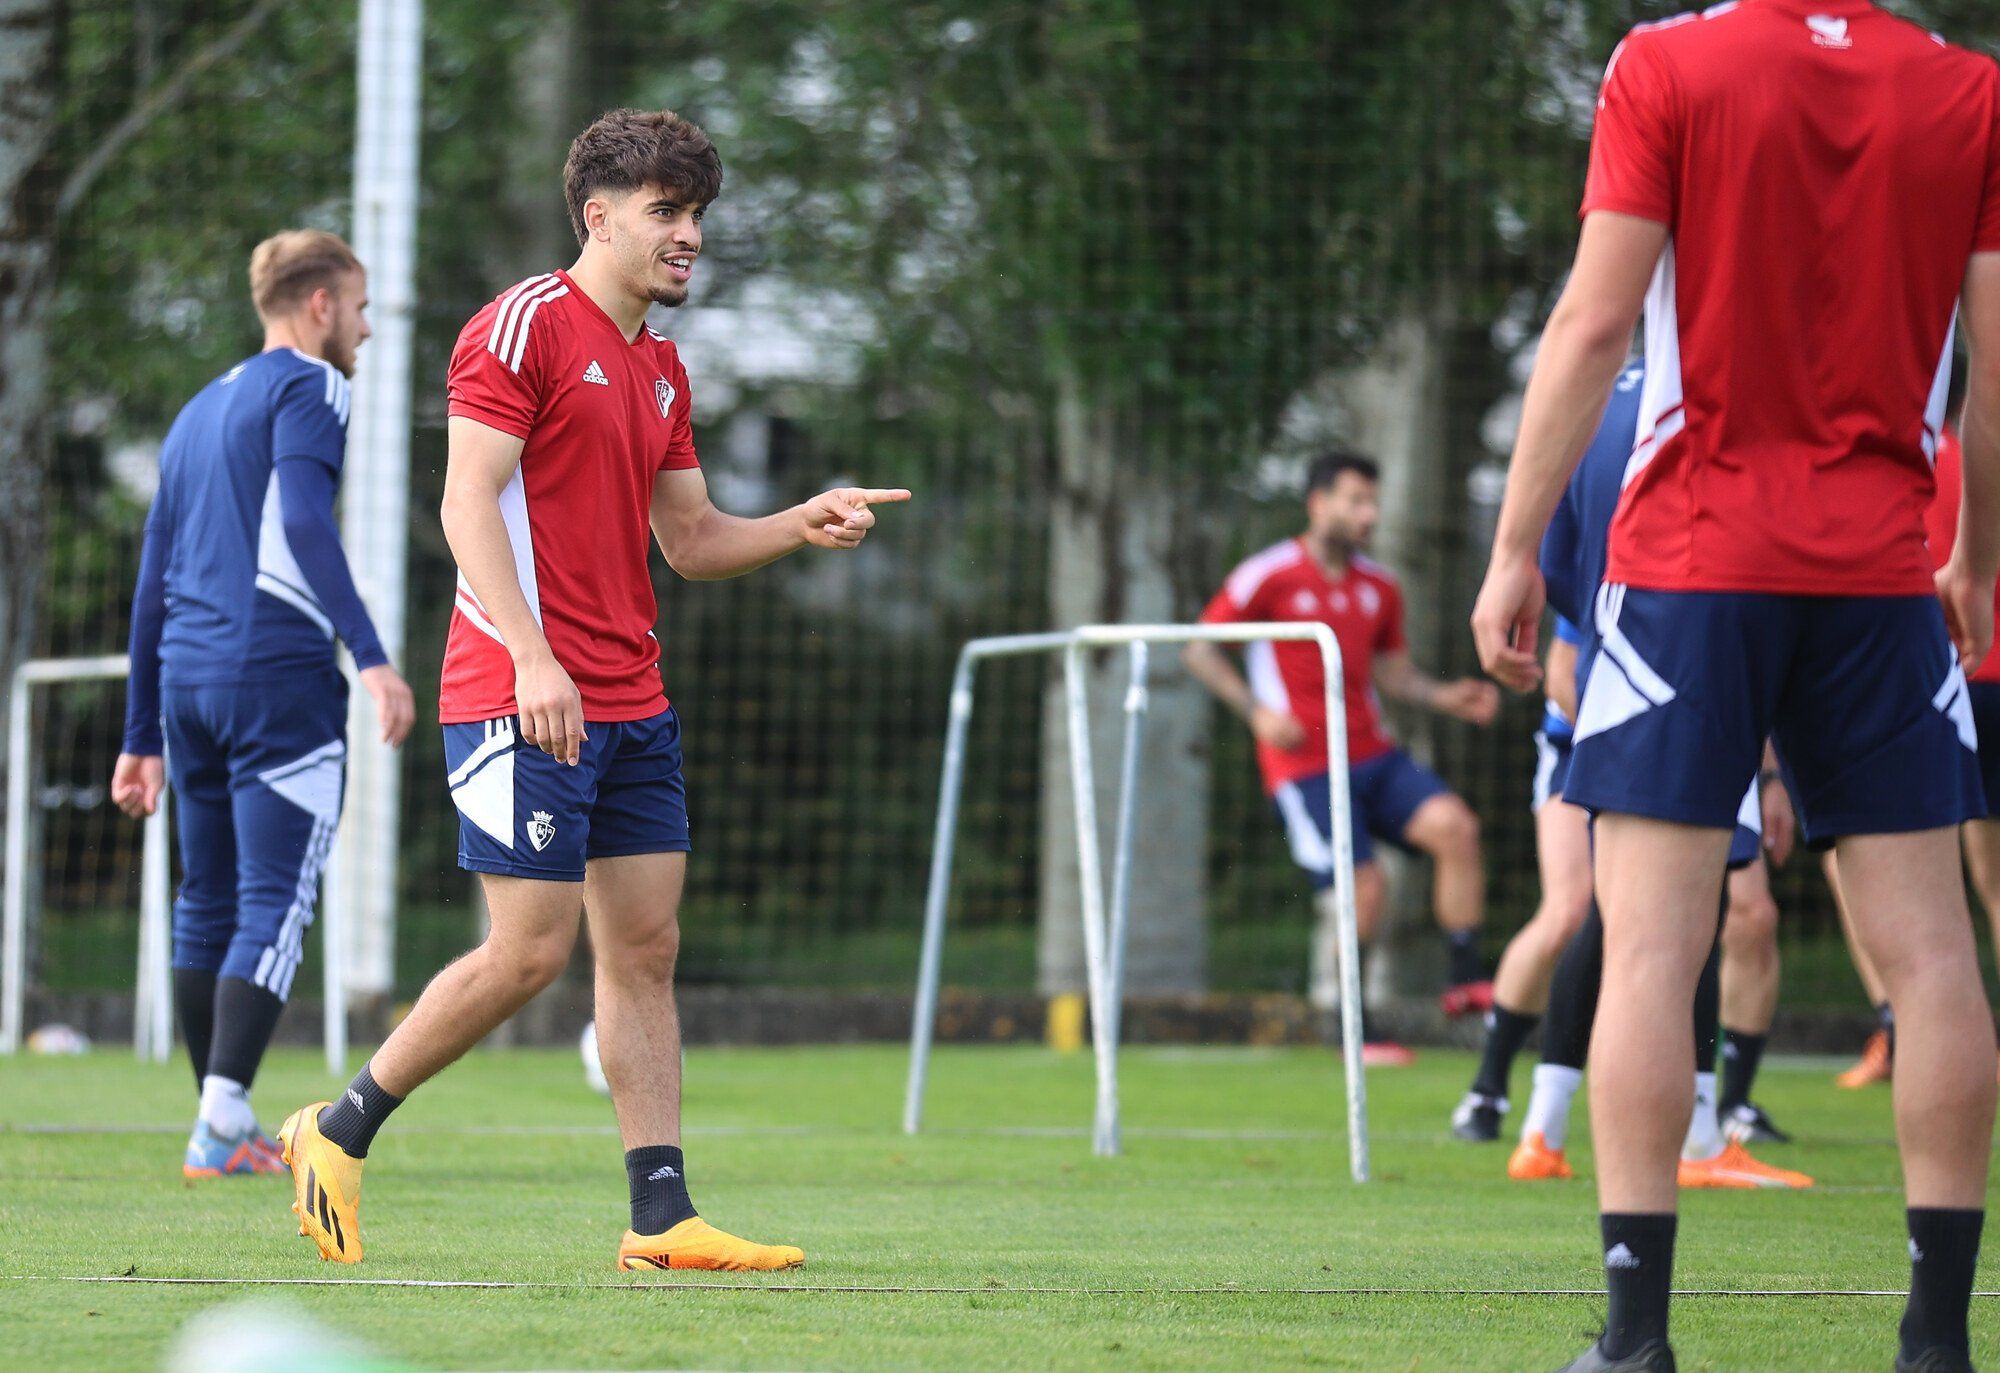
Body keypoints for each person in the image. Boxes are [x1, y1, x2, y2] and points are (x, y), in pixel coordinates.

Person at [275, 109, 907, 1271]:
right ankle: (338, 1126)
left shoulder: (660, 366)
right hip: (517, 692)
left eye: (696, 213)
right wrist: (532, 656)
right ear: (598, 216)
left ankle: (660, 1217)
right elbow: (464, 501)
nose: (689, 234)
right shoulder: (522, 324)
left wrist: (798, 520)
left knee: (645, 948)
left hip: (631, 700)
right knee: (529, 951)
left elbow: (692, 539)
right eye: (667, 211)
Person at [1471, 6, 2000, 1370]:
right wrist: (1974, 557)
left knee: (1652, 950)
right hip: (1880, 571)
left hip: (1692, 564)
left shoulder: (1666, 64)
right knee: (1934, 957)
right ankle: (1937, 1342)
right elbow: (1994, 366)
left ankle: (1634, 1337)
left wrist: (1516, 545)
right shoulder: (1967, 91)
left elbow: (1594, 320)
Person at [111, 230, 415, 1180]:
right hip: (276, 677)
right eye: (360, 308)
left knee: (205, 895)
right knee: (274, 900)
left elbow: (152, 582)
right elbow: (301, 521)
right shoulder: (314, 385)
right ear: (320, 304)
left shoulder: (196, 411)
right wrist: (373, 657)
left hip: (189, 684)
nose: (366, 329)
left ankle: (221, 1119)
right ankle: (221, 1119)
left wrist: (140, 731)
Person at [1188, 450, 1499, 1066]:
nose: (1368, 514)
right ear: (1318, 503)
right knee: (1366, 885)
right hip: (1305, 767)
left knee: (1456, 828)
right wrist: (1257, 713)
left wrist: (1444, 696)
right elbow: (1200, 648)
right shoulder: (1268, 574)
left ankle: (1466, 983)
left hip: (1373, 753)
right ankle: (1352, 1027)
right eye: (1355, 501)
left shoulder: (1379, 586)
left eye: (1373, 502)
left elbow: (1391, 672)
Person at [1450, 621, 1589, 1136]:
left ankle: (1723, 1107)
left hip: (1689, 753)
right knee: (1568, 912)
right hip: (1581, 744)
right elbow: (1562, 673)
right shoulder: (1602, 569)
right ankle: (1488, 1087)